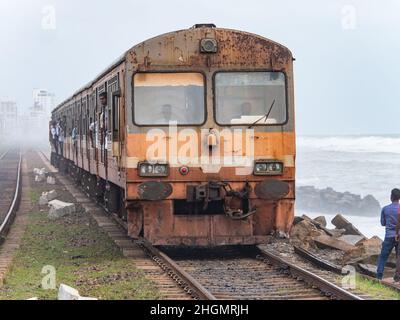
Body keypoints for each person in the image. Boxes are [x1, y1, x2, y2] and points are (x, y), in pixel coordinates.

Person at [376, 188, 400, 280]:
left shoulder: (385, 209)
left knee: (383, 257)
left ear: (391, 197)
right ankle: (397, 277)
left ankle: (379, 276)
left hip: (389, 236)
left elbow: (382, 223)